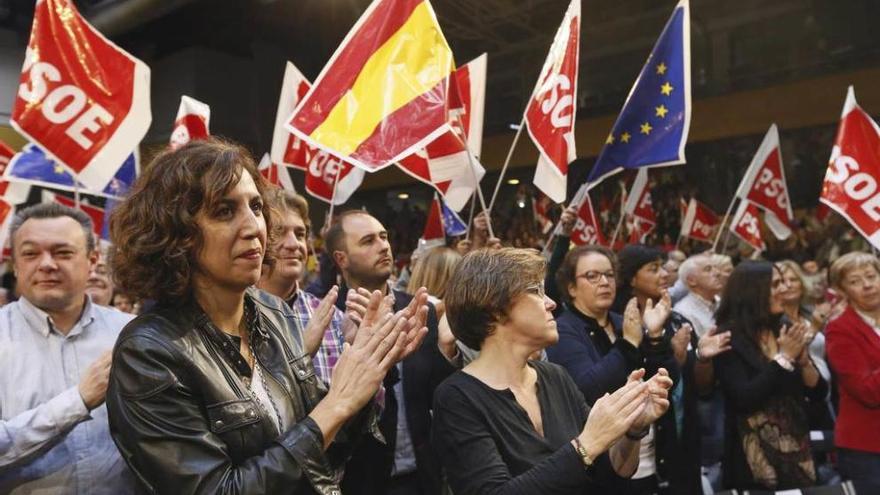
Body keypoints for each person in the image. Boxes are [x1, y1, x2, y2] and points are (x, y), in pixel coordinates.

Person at [105, 139, 429, 494]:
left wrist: (367, 373)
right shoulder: (149, 353)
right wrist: (336, 405)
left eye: (256, 207)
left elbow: (326, 451)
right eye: (224, 211)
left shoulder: (275, 314)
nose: (254, 227)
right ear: (175, 233)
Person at [433, 248, 674, 494]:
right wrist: (586, 444)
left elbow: (610, 475)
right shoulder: (456, 397)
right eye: (536, 291)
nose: (551, 303)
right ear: (494, 307)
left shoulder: (555, 375)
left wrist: (632, 430)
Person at [0, 203, 135, 494]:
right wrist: (78, 400)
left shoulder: (131, 334)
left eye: (62, 253)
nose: (46, 264)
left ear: (92, 259)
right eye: (31, 253)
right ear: (16, 265)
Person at [324, 210, 457, 495]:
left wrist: (449, 350)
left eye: (384, 236)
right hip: (362, 482)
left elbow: (439, 391)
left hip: (423, 479)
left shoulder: (418, 311)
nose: (383, 246)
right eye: (368, 241)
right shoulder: (326, 320)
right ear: (341, 259)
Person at [714, 261, 827, 490]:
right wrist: (783, 359)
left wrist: (804, 362)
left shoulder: (784, 328)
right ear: (753, 290)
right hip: (752, 461)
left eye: (784, 282)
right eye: (776, 284)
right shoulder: (727, 337)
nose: (784, 289)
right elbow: (744, 398)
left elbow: (818, 393)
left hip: (798, 454)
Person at [612, 244, 714, 495]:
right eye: (653, 269)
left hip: (683, 431)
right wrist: (671, 358)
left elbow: (700, 387)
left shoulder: (679, 320)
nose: (664, 274)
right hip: (644, 445)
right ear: (632, 278)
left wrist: (702, 357)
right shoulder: (620, 322)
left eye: (664, 268)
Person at [256, 189, 362, 386]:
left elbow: (366, 406)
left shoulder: (334, 318)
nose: (294, 244)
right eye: (279, 232)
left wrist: (360, 353)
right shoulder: (234, 316)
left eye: (300, 233)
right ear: (257, 237)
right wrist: (301, 354)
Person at [673, 252, 731, 492]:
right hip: (704, 392)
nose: (716, 272)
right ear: (691, 281)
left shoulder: (721, 303)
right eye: (707, 269)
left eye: (715, 268)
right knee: (712, 457)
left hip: (726, 389)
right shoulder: (684, 311)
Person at [825, 252, 880, 493]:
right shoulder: (839, 330)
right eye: (855, 281)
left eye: (871, 276)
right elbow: (868, 391)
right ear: (842, 290)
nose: (867, 285)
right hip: (867, 447)